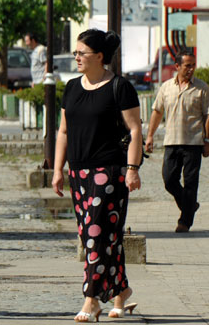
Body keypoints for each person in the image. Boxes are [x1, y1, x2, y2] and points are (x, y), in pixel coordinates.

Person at [52, 29, 142, 322]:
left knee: (94, 236)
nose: (76, 57)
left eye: (82, 53)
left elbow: (134, 130)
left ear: (99, 57)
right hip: (78, 173)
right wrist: (57, 169)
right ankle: (122, 292)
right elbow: (63, 131)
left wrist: (132, 169)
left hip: (110, 172)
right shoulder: (71, 87)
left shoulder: (119, 86)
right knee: (105, 237)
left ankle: (91, 300)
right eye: (75, 53)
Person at [145, 49, 209, 233]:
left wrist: (207, 140)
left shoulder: (201, 88)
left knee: (191, 182)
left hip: (194, 142)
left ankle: (185, 221)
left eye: (193, 65)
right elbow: (157, 111)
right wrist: (150, 135)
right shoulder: (166, 87)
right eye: (187, 65)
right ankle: (189, 205)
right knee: (169, 179)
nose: (191, 69)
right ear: (177, 66)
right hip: (171, 141)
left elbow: (208, 115)